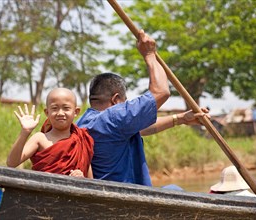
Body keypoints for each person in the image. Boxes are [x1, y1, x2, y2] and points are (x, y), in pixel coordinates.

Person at [72, 29, 209, 186]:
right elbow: (161, 92)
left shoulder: (85, 122)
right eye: (125, 101)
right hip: (125, 200)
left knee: (171, 188)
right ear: (116, 100)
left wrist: (180, 119)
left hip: (109, 197)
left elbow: (141, 129)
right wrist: (149, 55)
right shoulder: (113, 117)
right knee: (174, 189)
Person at [7, 88, 94, 178]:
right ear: (47, 112)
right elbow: (12, 163)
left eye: (66, 108)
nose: (60, 113)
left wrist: (82, 178)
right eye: (54, 108)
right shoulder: (40, 139)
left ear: (76, 112)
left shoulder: (82, 140)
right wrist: (25, 132)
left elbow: (90, 180)